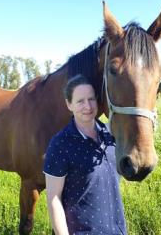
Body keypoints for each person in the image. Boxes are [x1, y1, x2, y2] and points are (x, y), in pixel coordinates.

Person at [43, 74, 127, 235]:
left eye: (91, 99)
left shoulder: (111, 135)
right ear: (69, 104)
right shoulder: (60, 144)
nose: (88, 106)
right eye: (80, 101)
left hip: (117, 230)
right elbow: (53, 199)